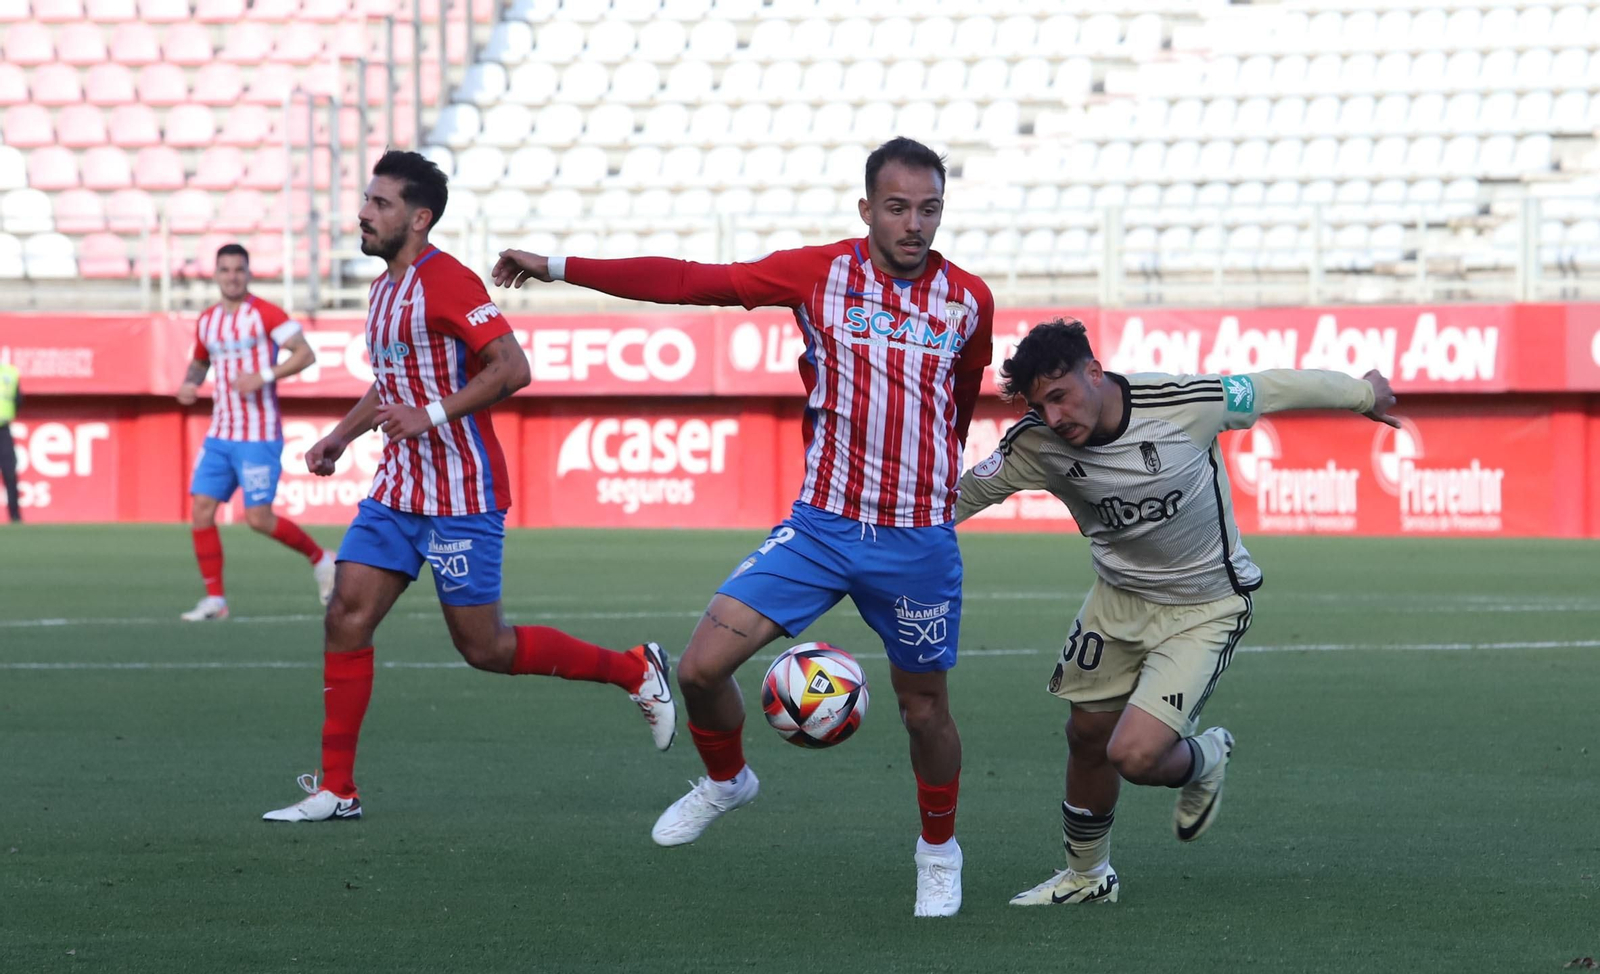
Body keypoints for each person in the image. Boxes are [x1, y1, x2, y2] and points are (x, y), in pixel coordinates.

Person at [493, 137, 994, 917]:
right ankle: (729, 781)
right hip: (822, 526)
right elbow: (692, 283)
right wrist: (561, 265)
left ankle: (938, 851)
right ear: (867, 209)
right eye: (897, 207)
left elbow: (958, 405)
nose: (914, 224)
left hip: (917, 541)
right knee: (698, 668)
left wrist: (925, 490)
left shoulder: (969, 301)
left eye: (929, 209)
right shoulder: (817, 273)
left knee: (925, 708)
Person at [263, 150, 677, 823]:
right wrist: (343, 434)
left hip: (461, 492)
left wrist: (425, 415)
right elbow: (395, 380)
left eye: (381, 204)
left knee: (485, 648)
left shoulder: (445, 280)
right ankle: (337, 789)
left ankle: (634, 669)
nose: (364, 214)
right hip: (398, 489)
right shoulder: (382, 289)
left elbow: (513, 368)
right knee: (345, 614)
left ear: (419, 218)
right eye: (366, 200)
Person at [955, 319, 1400, 905]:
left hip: (1203, 606)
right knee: (1086, 736)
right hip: (1116, 601)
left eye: (1060, 395)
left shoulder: (1183, 403)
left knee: (1133, 756)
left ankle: (1204, 756)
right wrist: (881, 535)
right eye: (1042, 404)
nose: (1055, 415)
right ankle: (1088, 877)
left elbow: (1273, 388)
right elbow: (961, 495)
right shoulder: (1039, 443)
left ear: (1095, 372)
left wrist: (1363, 394)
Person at [177, 243, 334, 620]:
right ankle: (215, 599)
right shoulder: (208, 320)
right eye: (225, 270)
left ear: (248, 273)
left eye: (238, 270)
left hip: (258, 433)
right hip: (221, 432)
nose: (232, 276)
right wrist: (189, 383)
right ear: (215, 275)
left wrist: (263, 376)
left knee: (258, 518)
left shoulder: (265, 313)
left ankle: (321, 559)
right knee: (200, 510)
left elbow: (305, 353)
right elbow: (200, 361)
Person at [0, 359, 20, 523]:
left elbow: (18, 399)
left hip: (3, 429)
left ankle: (15, 516)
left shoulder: (10, 373)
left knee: (9, 471)